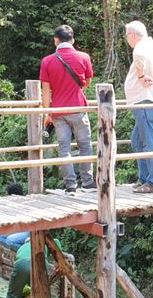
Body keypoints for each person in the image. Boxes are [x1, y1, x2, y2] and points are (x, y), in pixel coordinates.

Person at [40, 25, 97, 193]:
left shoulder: (47, 61)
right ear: (72, 40)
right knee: (85, 145)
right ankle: (87, 183)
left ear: (56, 40)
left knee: (64, 149)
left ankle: (71, 186)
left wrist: (47, 113)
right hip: (78, 108)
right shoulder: (84, 57)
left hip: (58, 112)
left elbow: (45, 90)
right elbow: (86, 83)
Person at [125, 21, 153, 193]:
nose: (127, 40)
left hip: (146, 101)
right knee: (138, 141)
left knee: (149, 142)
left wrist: (141, 76)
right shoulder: (151, 44)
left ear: (132, 35)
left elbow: (139, 56)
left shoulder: (141, 45)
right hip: (148, 101)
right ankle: (145, 179)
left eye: (127, 36)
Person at [0, 184, 30, 251]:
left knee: (10, 240)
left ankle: (26, 251)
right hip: (17, 229)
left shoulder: (26, 203)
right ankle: (17, 248)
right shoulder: (11, 204)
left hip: (27, 231)